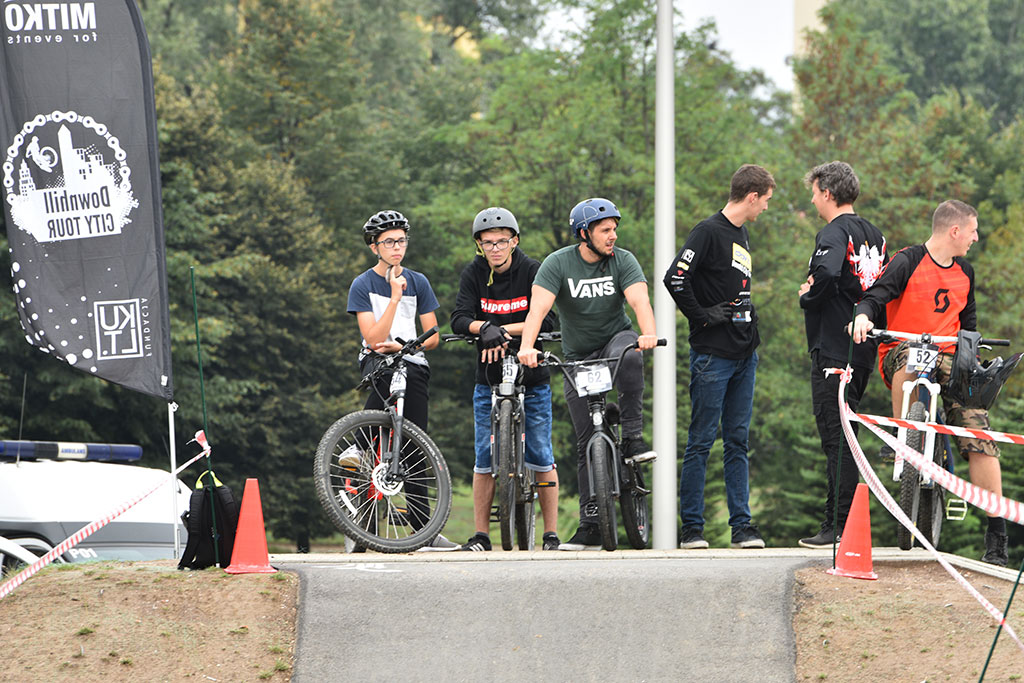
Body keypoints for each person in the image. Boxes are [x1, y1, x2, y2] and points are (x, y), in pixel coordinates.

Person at [851, 199, 1008, 566]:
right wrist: (862, 317)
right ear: (954, 231)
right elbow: (875, 297)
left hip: (951, 357)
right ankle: (905, 438)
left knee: (977, 428)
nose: (976, 237)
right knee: (914, 357)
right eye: (972, 230)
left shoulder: (965, 272)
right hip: (904, 349)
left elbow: (969, 328)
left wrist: (974, 359)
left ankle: (996, 533)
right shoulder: (908, 261)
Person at [518, 197, 659, 551]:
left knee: (629, 357)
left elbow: (640, 300)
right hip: (578, 355)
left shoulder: (623, 260)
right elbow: (538, 309)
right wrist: (527, 347)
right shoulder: (557, 264)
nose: (613, 236)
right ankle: (590, 524)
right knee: (585, 441)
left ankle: (632, 437)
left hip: (616, 340)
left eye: (615, 229)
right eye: (605, 230)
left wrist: (649, 333)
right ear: (585, 233)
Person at [663, 164, 773, 550]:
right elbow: (675, 278)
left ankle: (742, 527)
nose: (765, 210)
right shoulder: (707, 231)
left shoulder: (742, 233)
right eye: (765, 202)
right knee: (701, 441)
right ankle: (692, 529)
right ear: (751, 196)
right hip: (713, 356)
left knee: (738, 441)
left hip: (745, 353)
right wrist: (702, 314)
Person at [449, 207, 561, 551]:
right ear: (479, 246)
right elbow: (457, 319)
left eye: (501, 242)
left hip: (534, 376)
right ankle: (481, 535)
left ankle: (551, 534)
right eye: (487, 243)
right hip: (488, 378)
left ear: (514, 241)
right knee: (484, 456)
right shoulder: (475, 273)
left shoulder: (532, 270)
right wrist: (481, 328)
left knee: (541, 451)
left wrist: (499, 331)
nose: (494, 249)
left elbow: (548, 319)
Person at [346, 210, 457, 551]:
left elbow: (433, 335)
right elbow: (373, 336)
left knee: (415, 447)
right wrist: (394, 297)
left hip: (412, 360)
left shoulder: (419, 281)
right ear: (374, 247)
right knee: (387, 367)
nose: (397, 248)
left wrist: (407, 346)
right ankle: (360, 446)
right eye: (389, 242)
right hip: (378, 360)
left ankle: (424, 531)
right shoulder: (363, 285)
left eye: (402, 241)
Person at [797, 161, 887, 549]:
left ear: (828, 193)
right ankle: (840, 522)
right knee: (844, 434)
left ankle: (837, 525)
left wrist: (808, 296)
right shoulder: (875, 234)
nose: (814, 200)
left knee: (836, 436)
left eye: (815, 193)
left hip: (835, 348)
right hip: (863, 349)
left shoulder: (833, 232)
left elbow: (829, 274)